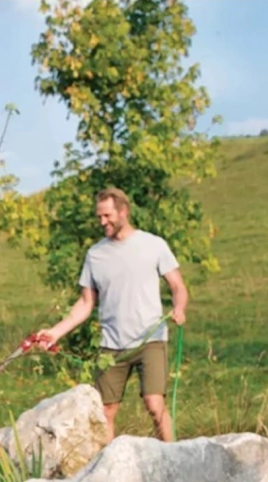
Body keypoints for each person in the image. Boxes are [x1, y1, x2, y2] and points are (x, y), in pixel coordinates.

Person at [34, 187, 188, 443]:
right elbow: (86, 303)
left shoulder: (153, 244)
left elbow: (177, 286)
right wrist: (55, 332)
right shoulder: (95, 255)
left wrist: (179, 308)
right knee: (106, 411)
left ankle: (173, 454)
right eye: (99, 217)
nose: (102, 222)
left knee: (154, 404)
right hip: (111, 345)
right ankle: (107, 462)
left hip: (150, 339)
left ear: (123, 211)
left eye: (107, 216)